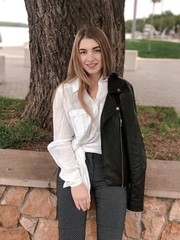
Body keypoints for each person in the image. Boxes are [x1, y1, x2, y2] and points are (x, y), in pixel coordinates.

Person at [48, 26, 146, 240]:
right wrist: (76, 183)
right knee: (70, 237)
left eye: (96, 50)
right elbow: (62, 141)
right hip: (75, 165)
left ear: (105, 53)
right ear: (77, 55)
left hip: (111, 169)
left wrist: (136, 196)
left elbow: (134, 143)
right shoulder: (65, 91)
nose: (90, 58)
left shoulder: (121, 89)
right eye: (83, 52)